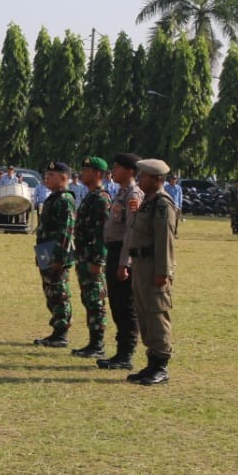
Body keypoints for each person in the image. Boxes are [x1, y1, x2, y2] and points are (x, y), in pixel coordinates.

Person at [120, 158, 178, 385]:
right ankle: (151, 362)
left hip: (154, 266)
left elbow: (165, 241)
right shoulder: (149, 202)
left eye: (144, 175)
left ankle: (161, 365)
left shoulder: (162, 204)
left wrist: (162, 271)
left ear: (157, 179)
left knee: (156, 312)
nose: (140, 179)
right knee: (144, 312)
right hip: (141, 264)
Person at [98, 152, 143, 370]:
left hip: (123, 254)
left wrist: (124, 263)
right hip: (114, 251)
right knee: (116, 303)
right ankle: (120, 352)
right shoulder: (121, 193)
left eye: (117, 167)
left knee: (125, 306)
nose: (113, 171)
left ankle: (126, 355)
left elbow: (130, 232)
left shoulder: (133, 194)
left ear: (130, 171)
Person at [71, 157, 112, 358]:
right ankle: (92, 342)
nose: (82, 173)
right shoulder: (91, 196)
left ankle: (98, 344)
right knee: (88, 299)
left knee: (96, 301)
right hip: (84, 258)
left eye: (86, 170)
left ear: (97, 174)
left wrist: (98, 261)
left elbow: (103, 233)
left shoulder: (101, 198)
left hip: (92, 260)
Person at [33, 161, 76, 347]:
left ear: (64, 178)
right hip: (46, 251)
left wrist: (60, 258)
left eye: (52, 175)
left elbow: (67, 231)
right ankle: (56, 330)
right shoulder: (54, 197)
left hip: (56, 254)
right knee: (51, 291)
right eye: (46, 174)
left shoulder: (65, 199)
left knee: (59, 292)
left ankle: (61, 333)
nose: (47, 178)